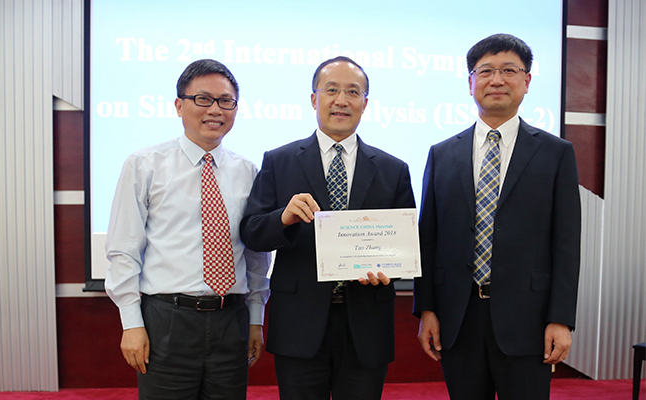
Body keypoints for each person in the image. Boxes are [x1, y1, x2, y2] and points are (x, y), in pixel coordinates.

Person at [413, 33, 581, 400]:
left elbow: (567, 242)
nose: (497, 80)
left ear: (527, 81)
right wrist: (426, 308)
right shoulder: (442, 154)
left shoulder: (555, 154)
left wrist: (561, 318)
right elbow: (429, 238)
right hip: (458, 317)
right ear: (470, 81)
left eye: (509, 70)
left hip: (529, 319)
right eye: (485, 70)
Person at [240, 56, 415, 400]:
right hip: (299, 324)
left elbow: (404, 247)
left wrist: (388, 269)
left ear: (365, 103)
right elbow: (252, 232)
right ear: (313, 98)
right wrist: (284, 218)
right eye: (331, 90)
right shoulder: (279, 161)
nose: (341, 100)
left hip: (366, 324)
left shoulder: (393, 169)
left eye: (353, 92)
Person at [104, 59, 271, 400]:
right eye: (203, 99)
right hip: (167, 320)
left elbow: (256, 255)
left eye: (226, 101)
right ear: (179, 105)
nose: (215, 109)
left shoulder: (249, 171)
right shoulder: (144, 165)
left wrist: (256, 317)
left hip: (231, 320)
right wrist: (131, 323)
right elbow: (124, 249)